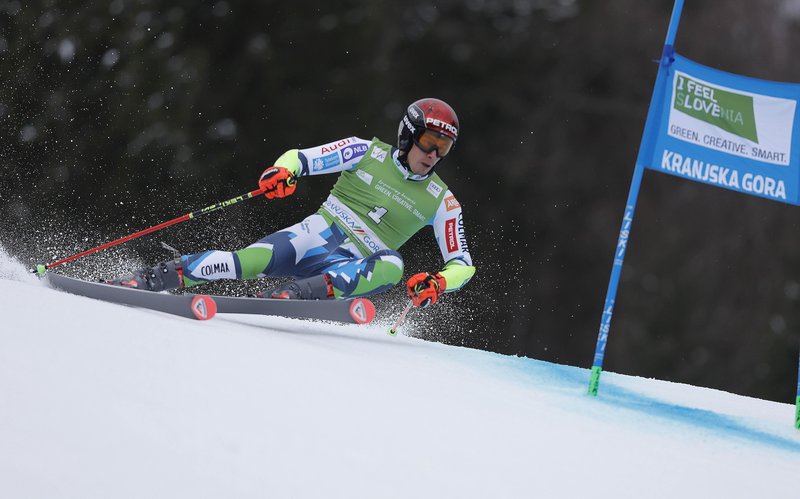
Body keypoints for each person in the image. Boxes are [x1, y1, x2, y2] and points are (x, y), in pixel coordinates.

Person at [108, 98, 475, 309]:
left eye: (444, 148)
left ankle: (295, 296)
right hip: (314, 235)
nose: (434, 154)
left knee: (394, 264)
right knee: (242, 262)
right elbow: (301, 159)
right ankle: (153, 277)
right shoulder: (366, 151)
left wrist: (438, 282)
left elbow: (463, 264)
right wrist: (281, 172)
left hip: (359, 266)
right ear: (409, 135)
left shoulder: (443, 201)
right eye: (429, 141)